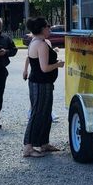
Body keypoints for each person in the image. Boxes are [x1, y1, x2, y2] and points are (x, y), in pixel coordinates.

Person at [22, 16, 64, 158]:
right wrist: (58, 64)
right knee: (37, 113)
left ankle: (43, 143)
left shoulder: (40, 42)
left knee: (46, 114)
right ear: (41, 28)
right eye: (48, 26)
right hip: (40, 83)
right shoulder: (40, 44)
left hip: (43, 83)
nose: (50, 28)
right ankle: (28, 147)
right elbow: (45, 68)